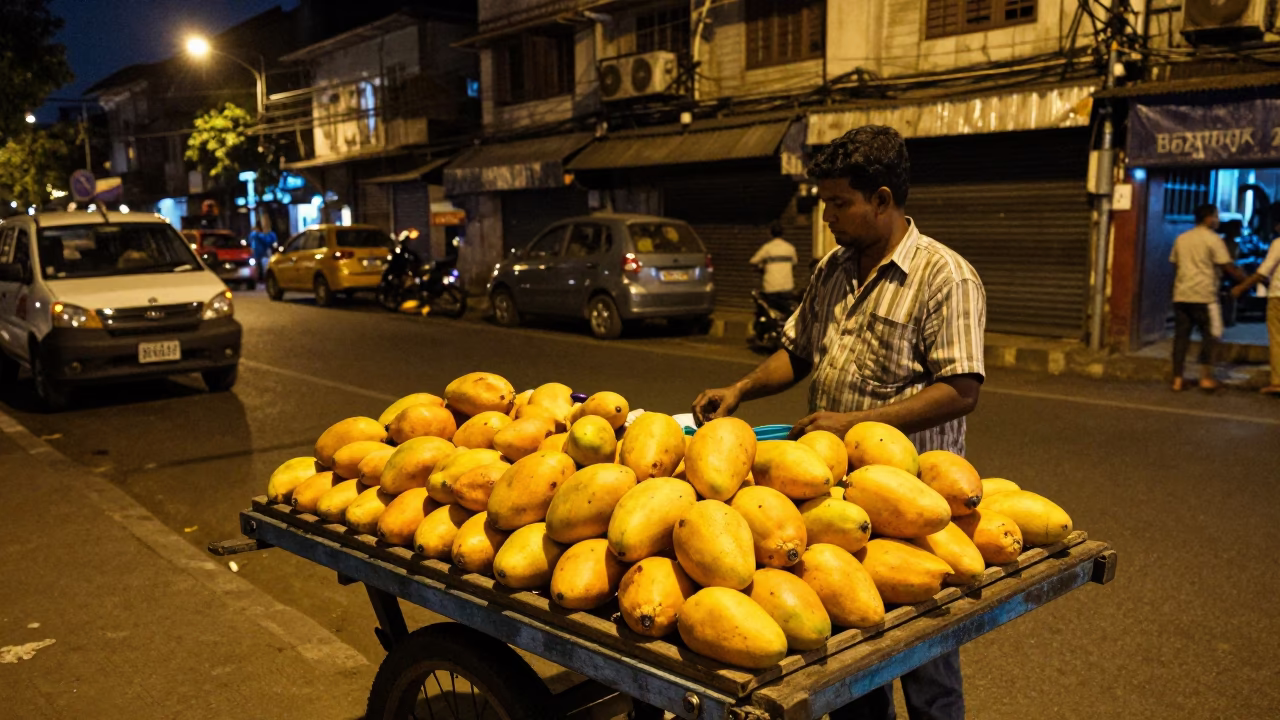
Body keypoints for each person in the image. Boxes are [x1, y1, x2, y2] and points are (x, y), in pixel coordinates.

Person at [692, 125, 984, 720]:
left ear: (881, 199)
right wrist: (742, 389)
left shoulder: (944, 277)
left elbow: (960, 391)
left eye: (839, 204)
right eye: (824, 203)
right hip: (832, 502)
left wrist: (856, 421)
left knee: (927, 669)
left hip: (914, 512)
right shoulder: (832, 269)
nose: (828, 216)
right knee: (850, 670)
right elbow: (798, 351)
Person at [1169, 204, 1246, 392]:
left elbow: (1175, 264)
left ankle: (1177, 379)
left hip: (1182, 294)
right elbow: (1227, 266)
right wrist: (1246, 280)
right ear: (1208, 218)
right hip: (1204, 295)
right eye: (1216, 216)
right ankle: (1205, 378)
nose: (1218, 220)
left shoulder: (1181, 238)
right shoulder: (1213, 240)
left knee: (1181, 338)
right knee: (1211, 335)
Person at [1230, 230, 1280, 395]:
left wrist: (1242, 287)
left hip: (1278, 297)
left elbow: (1263, 271)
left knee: (1277, 340)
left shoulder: (1278, 244)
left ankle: (1278, 382)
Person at [749, 222, 799, 309]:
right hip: (787, 287)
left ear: (770, 233)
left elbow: (753, 261)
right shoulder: (790, 248)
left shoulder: (767, 248)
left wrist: (762, 266)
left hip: (770, 287)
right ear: (783, 233)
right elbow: (794, 263)